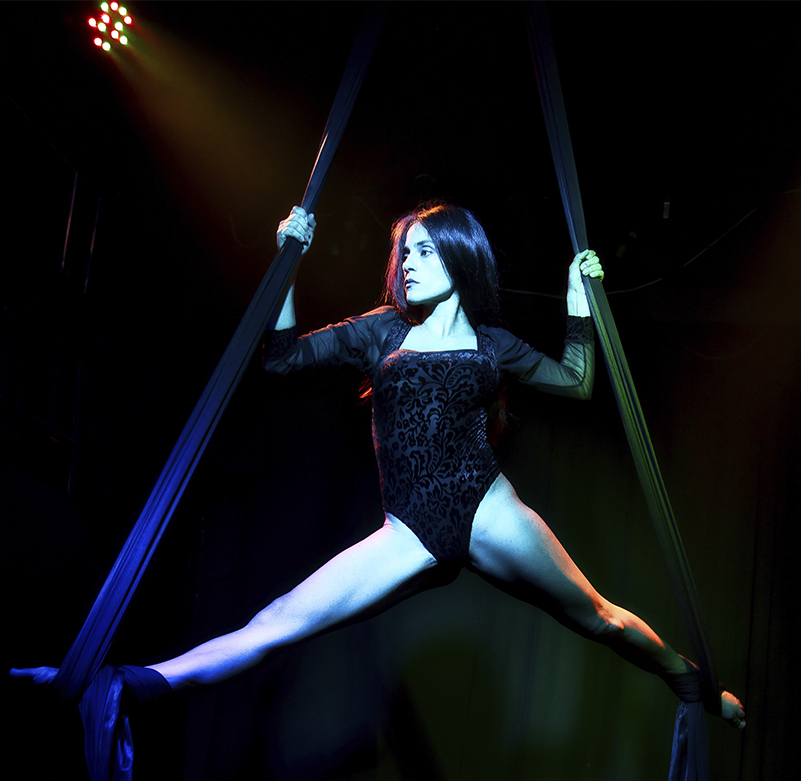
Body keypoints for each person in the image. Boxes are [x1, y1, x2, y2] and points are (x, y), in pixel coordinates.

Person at [11, 202, 745, 728]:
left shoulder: (491, 343)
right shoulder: (381, 333)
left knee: (601, 619)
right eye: (404, 254)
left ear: (459, 256)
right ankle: (124, 685)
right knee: (278, 623)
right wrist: (288, 265)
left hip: (488, 507)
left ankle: (694, 687)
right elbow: (282, 358)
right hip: (411, 530)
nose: (407, 266)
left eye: (424, 252)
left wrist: (578, 302)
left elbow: (576, 380)